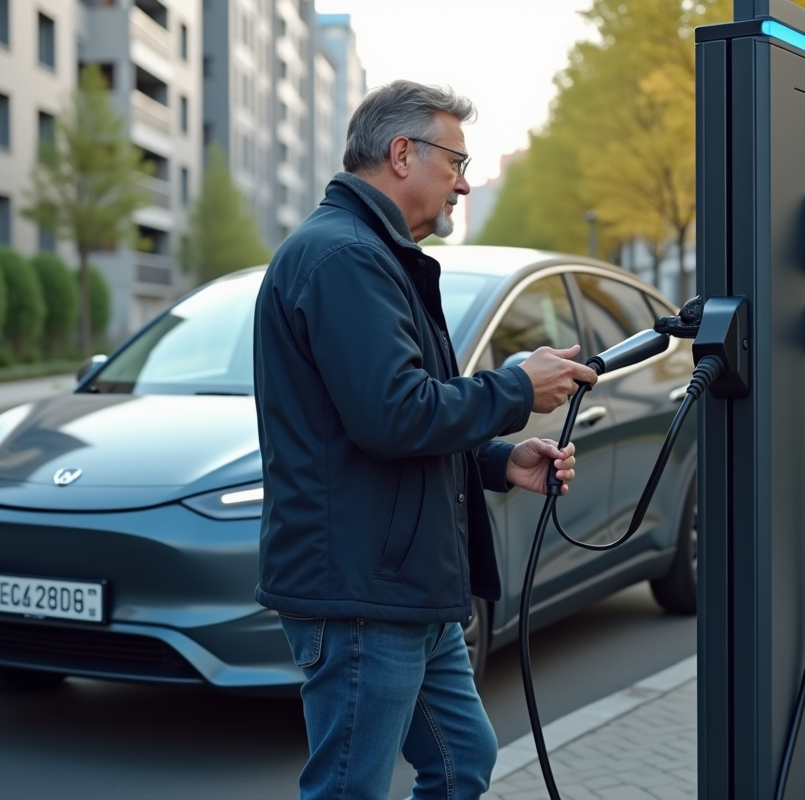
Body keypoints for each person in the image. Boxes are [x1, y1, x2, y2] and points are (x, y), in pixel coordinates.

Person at [253, 80, 599, 800]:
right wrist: (516, 389)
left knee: (460, 761)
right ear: (401, 153)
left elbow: (403, 414)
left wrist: (503, 461)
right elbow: (393, 416)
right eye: (455, 162)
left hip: (406, 587)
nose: (464, 183)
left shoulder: (377, 254)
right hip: (361, 593)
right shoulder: (345, 258)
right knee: (352, 788)